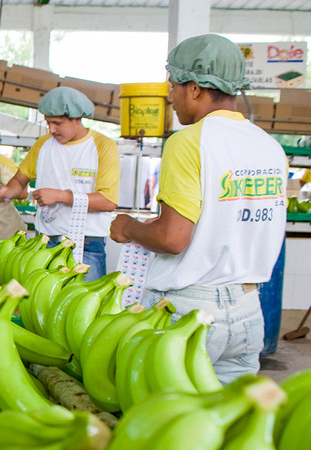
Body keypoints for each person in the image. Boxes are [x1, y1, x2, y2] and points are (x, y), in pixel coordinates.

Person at [109, 34, 286, 383]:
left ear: (194, 88)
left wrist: (128, 227)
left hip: (190, 311)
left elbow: (173, 238)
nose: (169, 96)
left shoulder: (189, 142)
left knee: (170, 422)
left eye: (173, 85)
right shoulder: (269, 147)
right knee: (228, 424)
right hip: (248, 309)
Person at [0, 86, 120, 280]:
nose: (51, 129)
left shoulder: (103, 146)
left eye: (57, 123)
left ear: (77, 118)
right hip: (46, 242)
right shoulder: (43, 144)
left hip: (87, 245)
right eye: (48, 123)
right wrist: (8, 190)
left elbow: (108, 201)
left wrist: (60, 196)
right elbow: (19, 180)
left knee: (83, 305)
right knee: (42, 304)